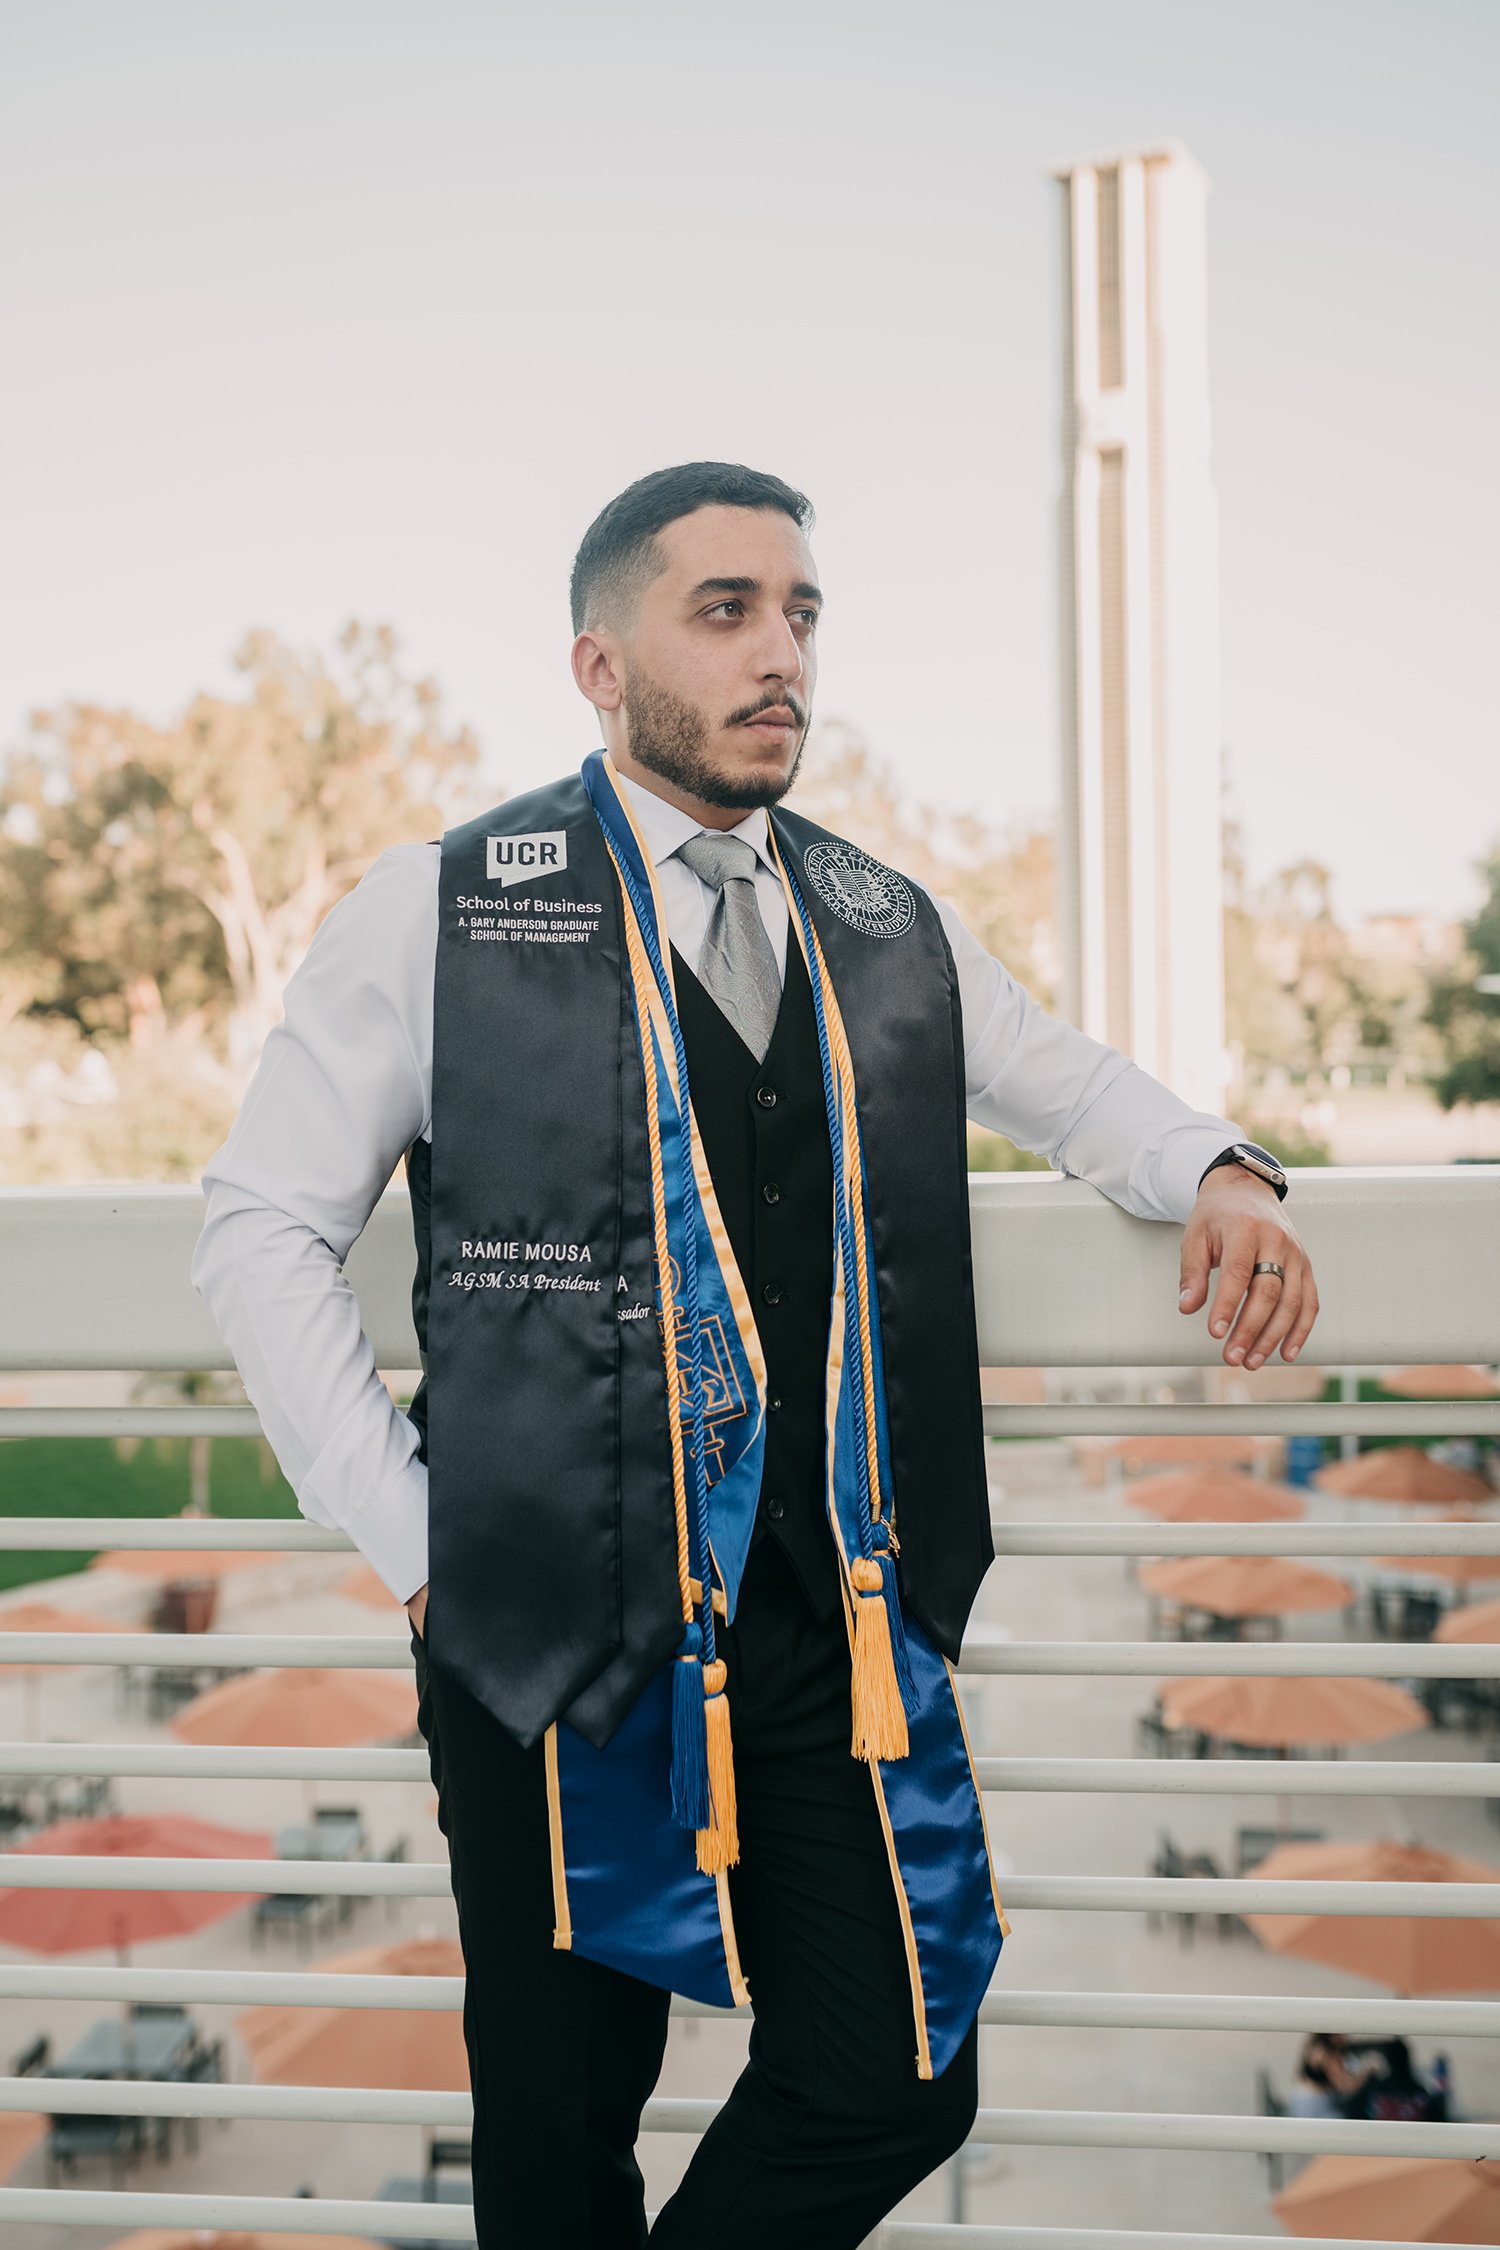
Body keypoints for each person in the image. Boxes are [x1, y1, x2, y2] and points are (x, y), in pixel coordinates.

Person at [191, 461, 1320, 2248]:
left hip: (821, 1625)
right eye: (724, 611)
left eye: (799, 613)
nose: (779, 653)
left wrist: (1223, 1169)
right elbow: (261, 1227)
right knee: (563, 2151)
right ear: (599, 662)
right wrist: (418, 1547)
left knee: (898, 2072)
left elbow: (1071, 1085)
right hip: (552, 1638)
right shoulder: (443, 907)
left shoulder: (882, 919)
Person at [1290, 2032, 1382, 2118]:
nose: (1346, 2037)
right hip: (1315, 2106)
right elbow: (1348, 2087)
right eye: (1341, 2033)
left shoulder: (1316, 2047)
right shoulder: (1326, 2053)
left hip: (1303, 2101)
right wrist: (1369, 2069)